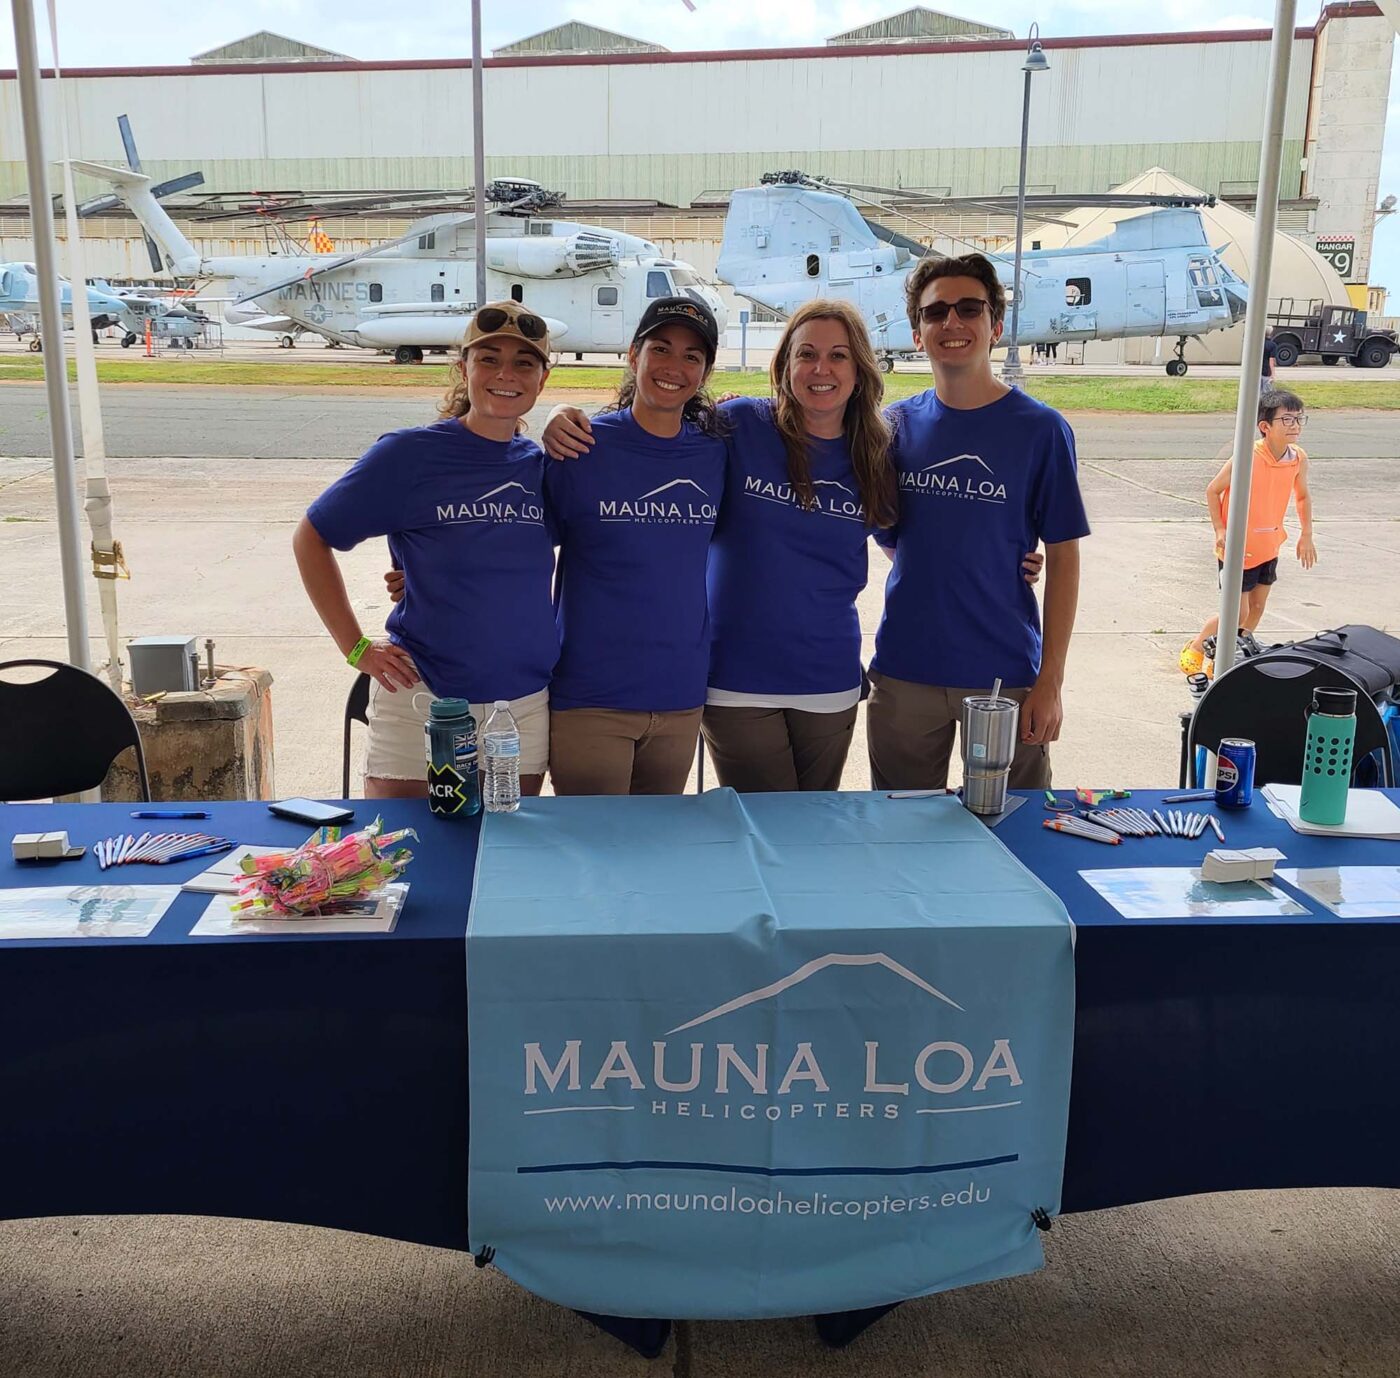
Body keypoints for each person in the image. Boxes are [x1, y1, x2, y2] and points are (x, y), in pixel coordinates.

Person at [545, 299, 1045, 794]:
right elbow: (657, 432)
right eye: (806, 354)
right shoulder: (738, 426)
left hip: (829, 680)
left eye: (838, 356)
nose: (820, 369)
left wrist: (1005, 561)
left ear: (859, 371)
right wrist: (565, 416)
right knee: (771, 830)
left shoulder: (876, 450)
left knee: (811, 834)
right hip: (735, 677)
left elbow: (912, 539)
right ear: (785, 365)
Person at [293, 301, 558, 799]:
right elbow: (312, 537)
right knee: (410, 857)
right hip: (423, 697)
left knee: (504, 855)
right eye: (489, 359)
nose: (506, 374)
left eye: (524, 362)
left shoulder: (539, 466)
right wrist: (355, 647)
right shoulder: (409, 455)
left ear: (542, 379)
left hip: (521, 703)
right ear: (463, 369)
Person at [867, 252, 1090, 792]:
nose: (951, 323)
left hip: (1006, 676)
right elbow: (895, 537)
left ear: (995, 325)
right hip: (906, 671)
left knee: (1012, 836)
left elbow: (1063, 556)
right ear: (917, 333)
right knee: (901, 834)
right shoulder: (893, 427)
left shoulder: (1041, 431)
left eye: (969, 308)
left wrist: (1051, 682)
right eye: (934, 312)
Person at [543, 297, 728, 796]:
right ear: (633, 355)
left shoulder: (716, 453)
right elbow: (515, 541)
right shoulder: (580, 446)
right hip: (592, 697)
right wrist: (414, 571)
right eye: (661, 349)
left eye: (692, 357)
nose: (674, 366)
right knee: (597, 857)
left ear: (706, 372)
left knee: (657, 856)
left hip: (680, 696)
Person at [1178, 389, 1316, 678]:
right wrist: (1220, 529)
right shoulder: (1247, 456)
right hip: (1238, 547)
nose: (1295, 425)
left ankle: (1233, 651)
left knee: (1257, 606)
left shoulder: (1298, 458)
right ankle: (1197, 646)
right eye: (1287, 419)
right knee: (1235, 612)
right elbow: (1213, 490)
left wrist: (1306, 534)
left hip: (1270, 544)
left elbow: (1302, 497)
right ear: (1265, 427)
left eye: (1299, 418)